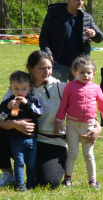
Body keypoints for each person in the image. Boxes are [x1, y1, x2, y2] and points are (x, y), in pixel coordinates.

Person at [0, 51, 70, 188]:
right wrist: (14, 124)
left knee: (48, 182)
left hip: (51, 141)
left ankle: (38, 170)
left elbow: (82, 108)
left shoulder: (60, 87)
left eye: (49, 68)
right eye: (42, 68)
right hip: (19, 138)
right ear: (30, 68)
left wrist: (96, 126)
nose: (47, 72)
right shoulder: (17, 86)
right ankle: (8, 173)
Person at [54, 56, 103, 189]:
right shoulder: (70, 86)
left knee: (88, 154)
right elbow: (64, 105)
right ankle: (67, 179)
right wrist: (59, 121)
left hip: (89, 126)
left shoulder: (96, 88)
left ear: (94, 74)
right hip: (73, 125)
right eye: (82, 72)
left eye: (89, 72)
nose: (85, 75)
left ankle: (92, 180)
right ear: (75, 73)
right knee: (73, 153)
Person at [38, 0, 103, 82]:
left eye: (82, 0)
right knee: (57, 94)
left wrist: (94, 33)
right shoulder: (54, 14)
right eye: (77, 0)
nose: (80, 2)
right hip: (58, 63)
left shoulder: (87, 17)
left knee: (79, 94)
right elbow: (44, 37)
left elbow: (100, 38)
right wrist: (48, 54)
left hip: (80, 66)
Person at [1, 71, 43, 191]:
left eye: (24, 89)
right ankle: (20, 184)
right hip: (15, 139)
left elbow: (39, 113)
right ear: (11, 88)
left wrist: (28, 104)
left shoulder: (33, 100)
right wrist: (6, 108)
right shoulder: (7, 102)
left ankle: (30, 183)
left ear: (29, 89)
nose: (20, 92)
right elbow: (0, 118)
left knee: (31, 163)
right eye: (16, 89)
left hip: (31, 139)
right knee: (19, 162)